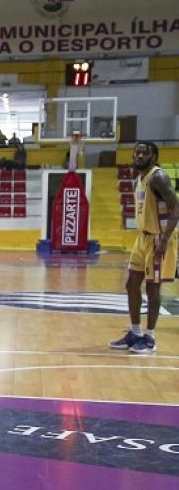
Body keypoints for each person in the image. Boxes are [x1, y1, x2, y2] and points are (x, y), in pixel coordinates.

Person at [109, 142, 178, 355]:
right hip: (143, 237)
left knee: (152, 288)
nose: (139, 155)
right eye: (137, 152)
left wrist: (165, 239)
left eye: (144, 153)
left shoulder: (158, 177)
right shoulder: (139, 178)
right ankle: (135, 332)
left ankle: (150, 338)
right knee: (132, 284)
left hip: (159, 237)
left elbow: (175, 207)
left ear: (154, 156)